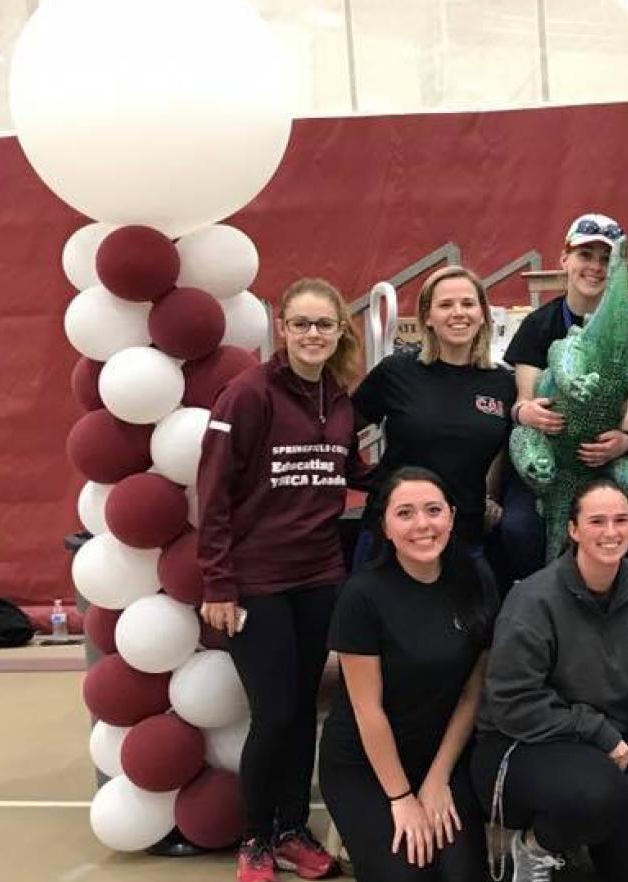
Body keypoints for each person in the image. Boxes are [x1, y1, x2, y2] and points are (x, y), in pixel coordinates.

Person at [196, 277, 363, 882]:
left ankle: (292, 830)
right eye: (302, 324)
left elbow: (360, 469)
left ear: (341, 329)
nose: (313, 335)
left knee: (302, 712)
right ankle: (254, 840)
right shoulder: (247, 394)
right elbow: (211, 496)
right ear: (283, 330)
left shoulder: (341, 399)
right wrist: (219, 584)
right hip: (255, 583)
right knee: (275, 713)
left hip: (319, 576)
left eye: (324, 324)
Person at [471, 479, 628, 882]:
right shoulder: (533, 600)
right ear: (572, 529)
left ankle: (587, 834)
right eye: (597, 521)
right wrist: (598, 732)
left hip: (618, 752)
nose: (611, 532)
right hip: (524, 745)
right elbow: (513, 703)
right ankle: (534, 847)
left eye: (621, 520)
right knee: (596, 793)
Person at [318, 467, 495, 881]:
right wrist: (401, 798)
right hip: (366, 764)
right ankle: (359, 835)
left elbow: (474, 691)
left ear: (451, 516)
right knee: (409, 874)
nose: (422, 525)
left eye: (433, 510)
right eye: (405, 514)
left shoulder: (476, 579)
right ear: (385, 525)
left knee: (460, 876)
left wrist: (436, 781)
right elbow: (368, 711)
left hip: (441, 758)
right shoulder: (362, 595)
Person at [498, 214, 628, 581]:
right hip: (553, 453)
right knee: (519, 526)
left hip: (605, 456)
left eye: (606, 259)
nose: (595, 267)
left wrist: (625, 439)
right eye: (585, 254)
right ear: (564, 259)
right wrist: (530, 414)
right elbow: (522, 401)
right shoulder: (539, 324)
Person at [352, 265, 514, 571]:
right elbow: (341, 430)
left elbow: (506, 447)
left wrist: (493, 494)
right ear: (427, 316)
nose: (458, 313)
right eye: (445, 305)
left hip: (464, 536)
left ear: (483, 314)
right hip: (391, 537)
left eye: (468, 304)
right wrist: (367, 478)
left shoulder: (503, 384)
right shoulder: (396, 372)